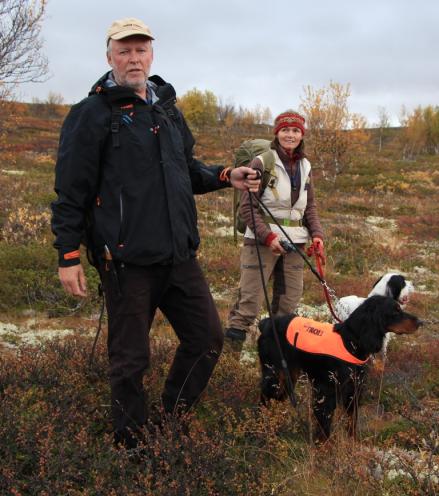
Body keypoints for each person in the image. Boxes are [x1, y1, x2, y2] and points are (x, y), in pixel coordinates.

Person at [51, 17, 260, 449]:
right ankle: (130, 446)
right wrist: (67, 255)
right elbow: (70, 192)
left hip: (178, 255)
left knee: (207, 340)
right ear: (109, 56)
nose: (134, 58)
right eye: (124, 51)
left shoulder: (165, 109)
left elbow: (186, 170)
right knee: (130, 360)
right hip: (126, 261)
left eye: (141, 49)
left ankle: (169, 421)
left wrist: (226, 175)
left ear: (152, 54)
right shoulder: (90, 115)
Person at [224, 110, 324, 351]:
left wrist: (318, 235)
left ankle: (274, 361)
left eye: (296, 130)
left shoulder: (306, 166)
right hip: (260, 243)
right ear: (277, 132)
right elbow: (247, 207)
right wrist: (268, 237)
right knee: (248, 305)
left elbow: (309, 207)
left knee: (287, 307)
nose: (290, 135)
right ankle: (228, 368)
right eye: (285, 130)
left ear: (302, 134)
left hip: (295, 244)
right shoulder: (262, 161)